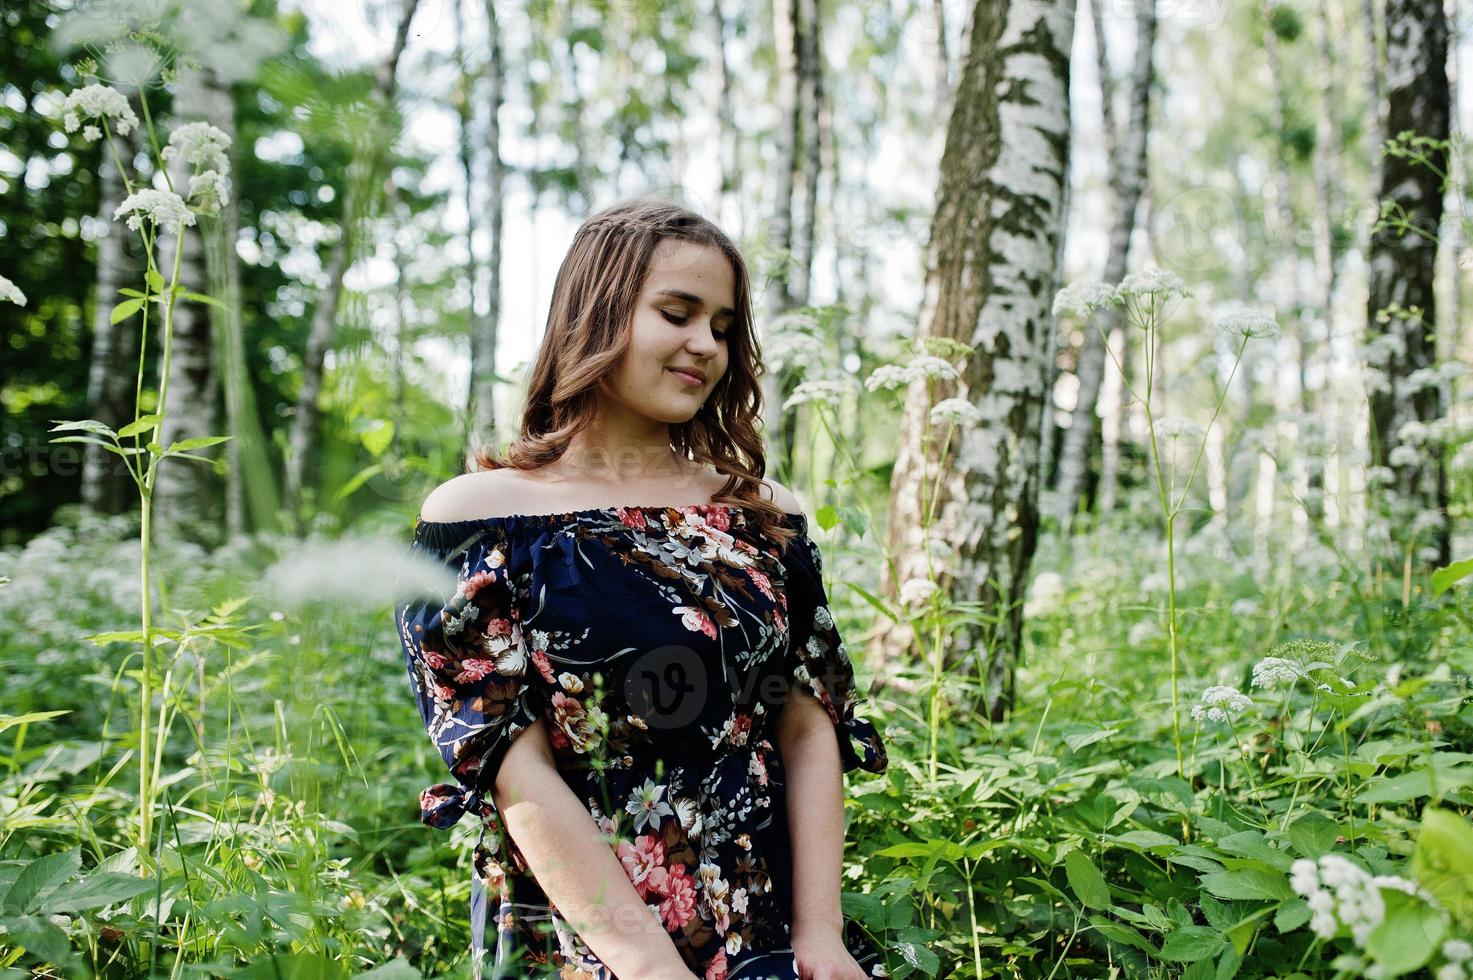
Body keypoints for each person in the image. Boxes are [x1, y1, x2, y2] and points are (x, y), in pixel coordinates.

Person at [394, 197, 889, 980]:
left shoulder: (763, 517)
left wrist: (820, 936)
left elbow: (805, 725)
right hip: (583, 928)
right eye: (678, 313)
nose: (706, 346)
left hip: (764, 924)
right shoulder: (479, 521)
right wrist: (642, 961)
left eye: (723, 327)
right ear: (595, 315)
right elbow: (510, 764)